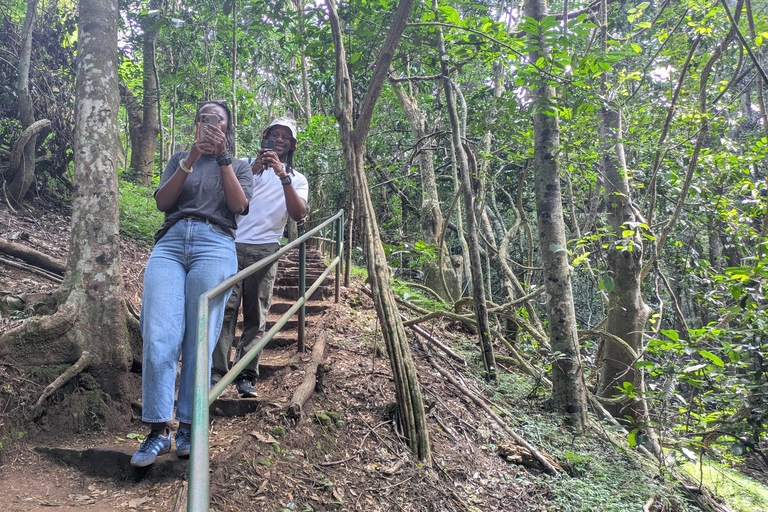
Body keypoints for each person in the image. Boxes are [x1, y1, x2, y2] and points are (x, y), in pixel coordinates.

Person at [131, 101, 253, 467]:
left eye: (218, 121)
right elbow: (162, 202)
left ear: (227, 129)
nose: (210, 125)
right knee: (158, 333)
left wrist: (223, 159)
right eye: (204, 119)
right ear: (196, 124)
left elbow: (238, 206)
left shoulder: (239, 165)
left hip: (215, 243)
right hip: (169, 243)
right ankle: (157, 430)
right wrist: (188, 161)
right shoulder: (178, 158)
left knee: (199, 338)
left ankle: (187, 426)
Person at [211, 115, 308, 398]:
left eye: (285, 137)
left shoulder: (297, 179)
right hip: (229, 243)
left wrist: (282, 175)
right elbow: (226, 198)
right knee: (224, 311)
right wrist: (253, 169)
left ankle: (245, 376)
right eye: (274, 134)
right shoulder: (241, 165)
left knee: (256, 315)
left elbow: (298, 214)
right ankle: (216, 373)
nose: (279, 140)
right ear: (264, 136)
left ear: (292, 145)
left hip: (266, 249)